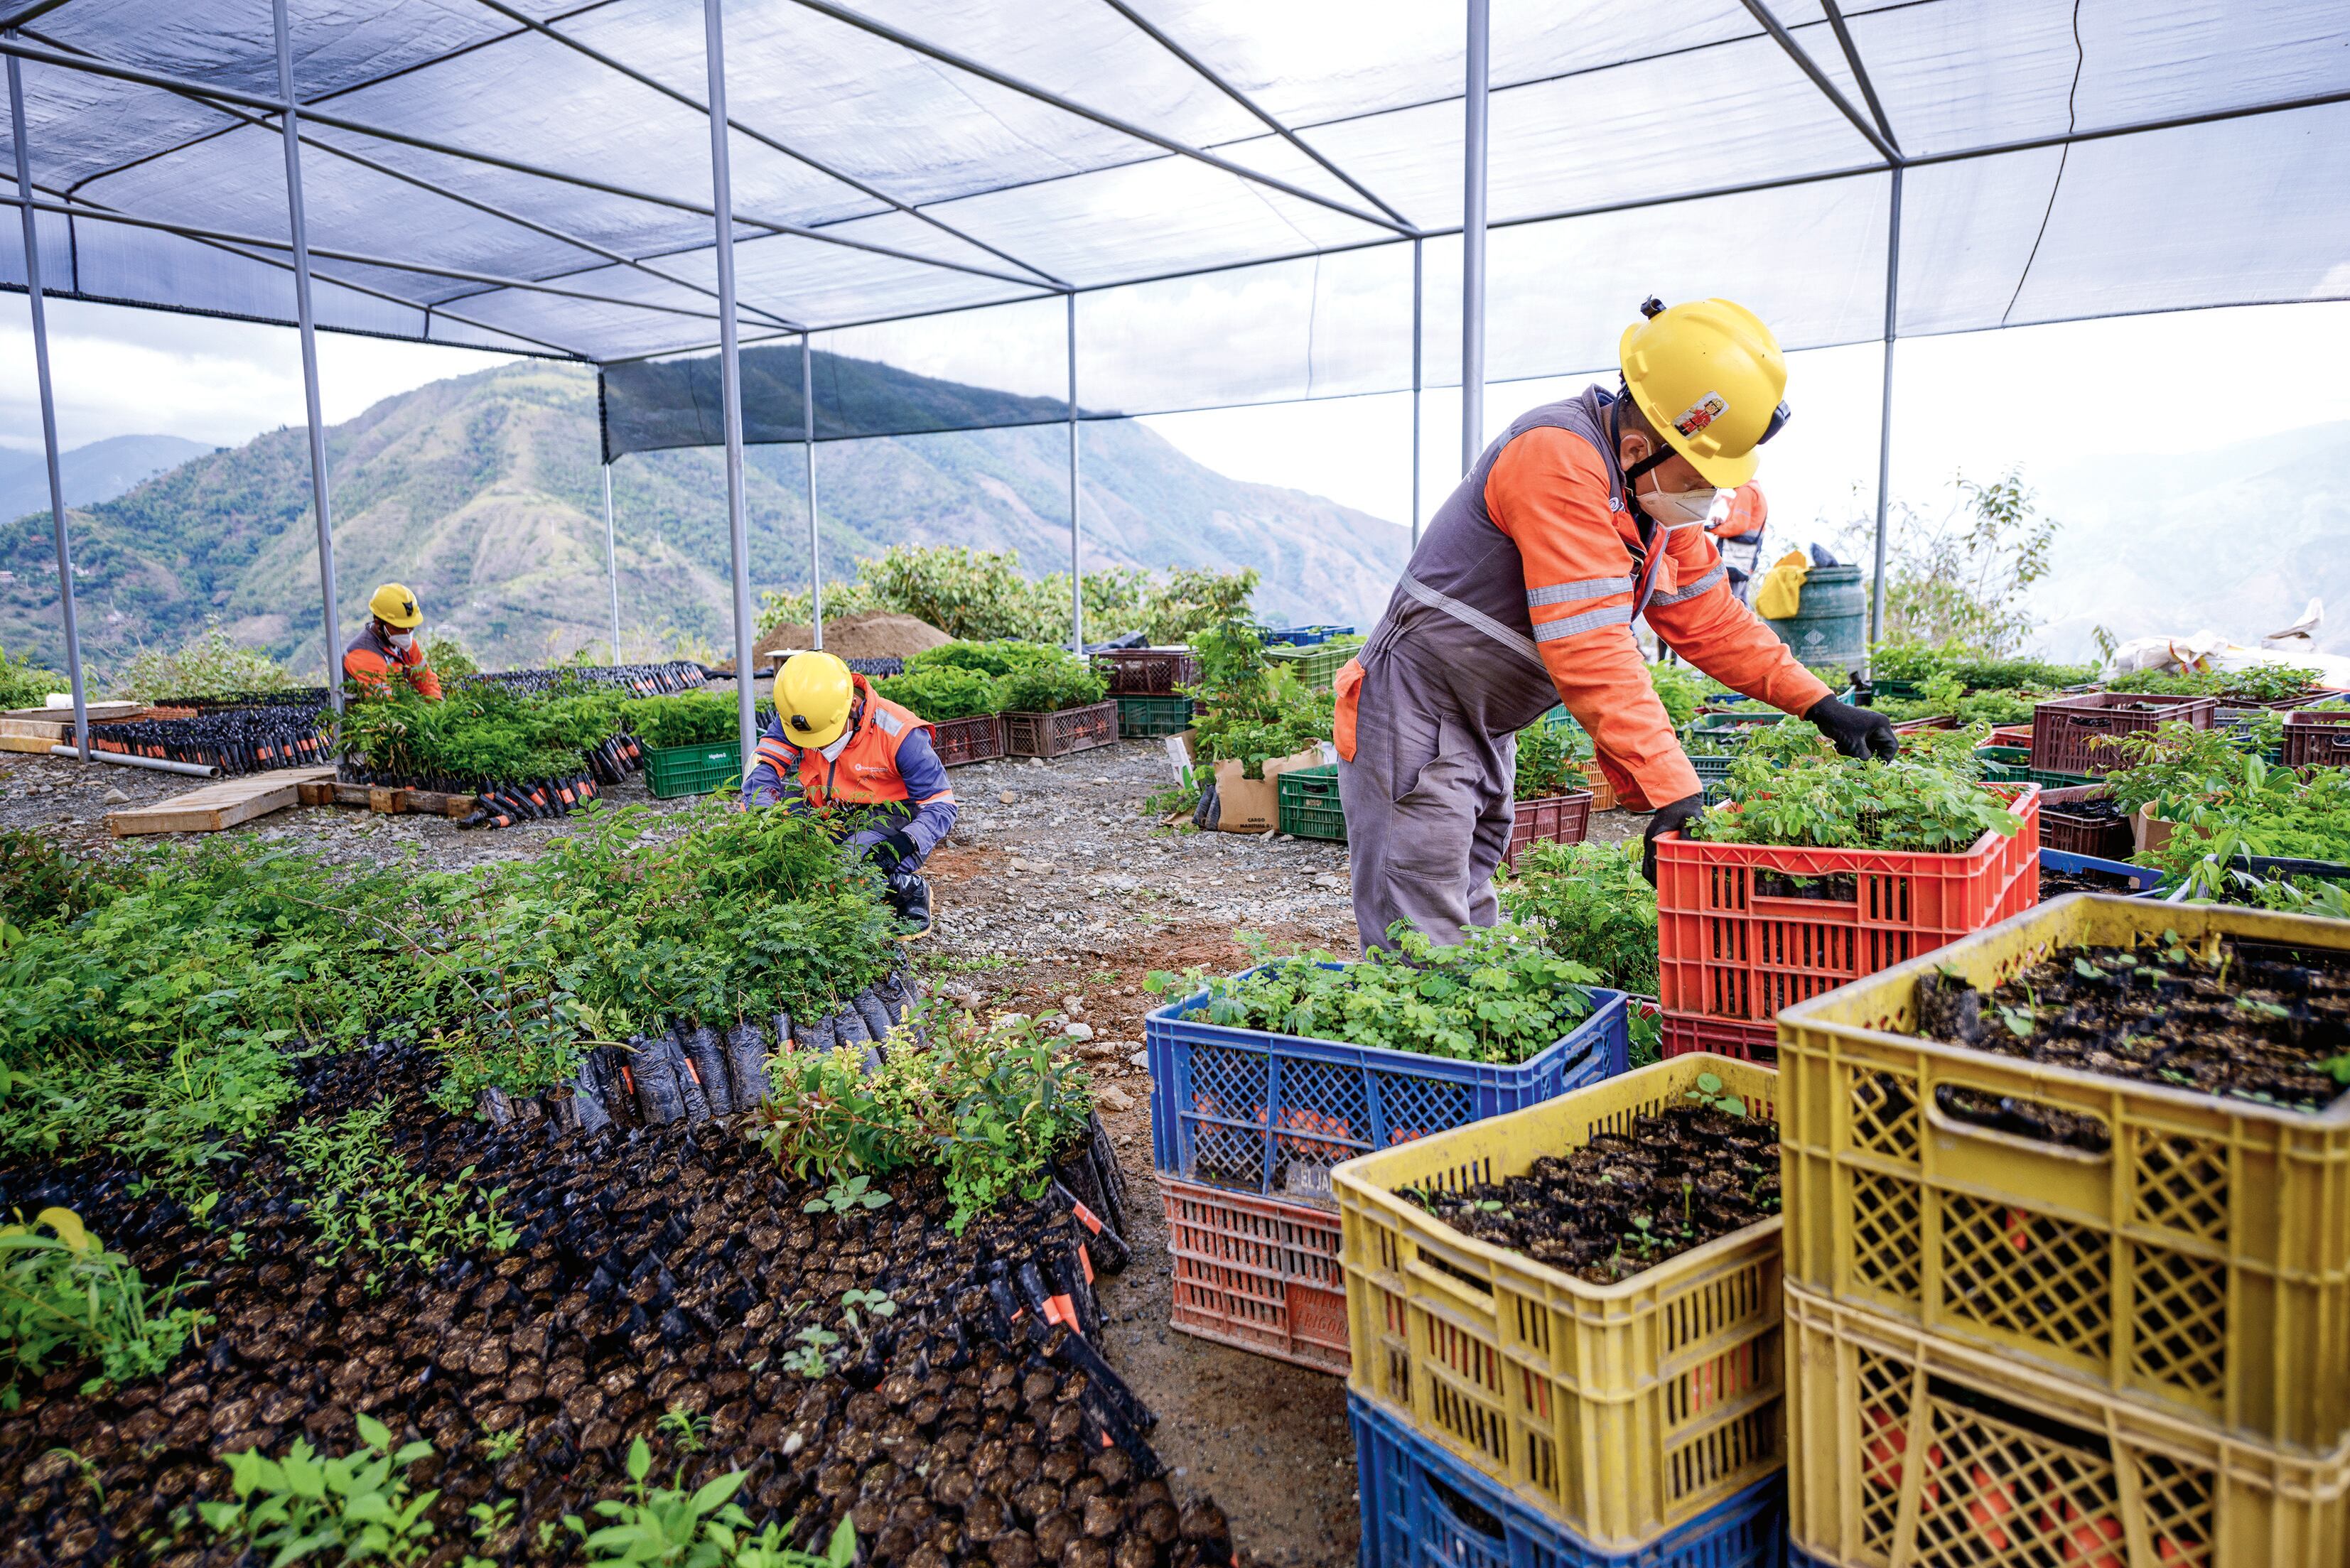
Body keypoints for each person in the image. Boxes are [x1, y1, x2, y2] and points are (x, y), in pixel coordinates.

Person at [1334, 296, 1897, 951]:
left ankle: (1462, 1009)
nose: (1711, 495)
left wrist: (1821, 704)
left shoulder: (1651, 497)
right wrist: (1673, 790)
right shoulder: (1555, 456)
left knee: (1465, 894)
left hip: (1482, 718)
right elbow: (1591, 643)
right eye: (1702, 475)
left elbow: (1710, 617)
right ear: (1637, 446)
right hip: (1420, 708)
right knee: (1420, 916)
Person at [743, 651, 958, 933]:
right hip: (826, 806)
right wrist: (764, 816)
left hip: (887, 817)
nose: (818, 746)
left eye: (824, 737)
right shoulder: (800, 717)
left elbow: (942, 805)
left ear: (853, 706)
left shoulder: (901, 735)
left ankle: (908, 889)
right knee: (783, 856)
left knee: (846, 875)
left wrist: (904, 843)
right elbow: (765, 765)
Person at [344, 583, 443, 700]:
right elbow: (384, 702)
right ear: (378, 622)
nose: (407, 633)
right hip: (364, 710)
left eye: (410, 626)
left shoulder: (406, 644)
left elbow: (425, 678)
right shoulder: (363, 654)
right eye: (399, 628)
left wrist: (436, 703)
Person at [1708, 482, 1768, 605]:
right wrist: (1723, 524)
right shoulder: (1753, 490)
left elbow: (1738, 525)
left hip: (1736, 558)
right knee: (1739, 601)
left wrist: (1713, 529)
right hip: (1744, 559)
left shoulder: (1745, 491)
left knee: (1728, 602)